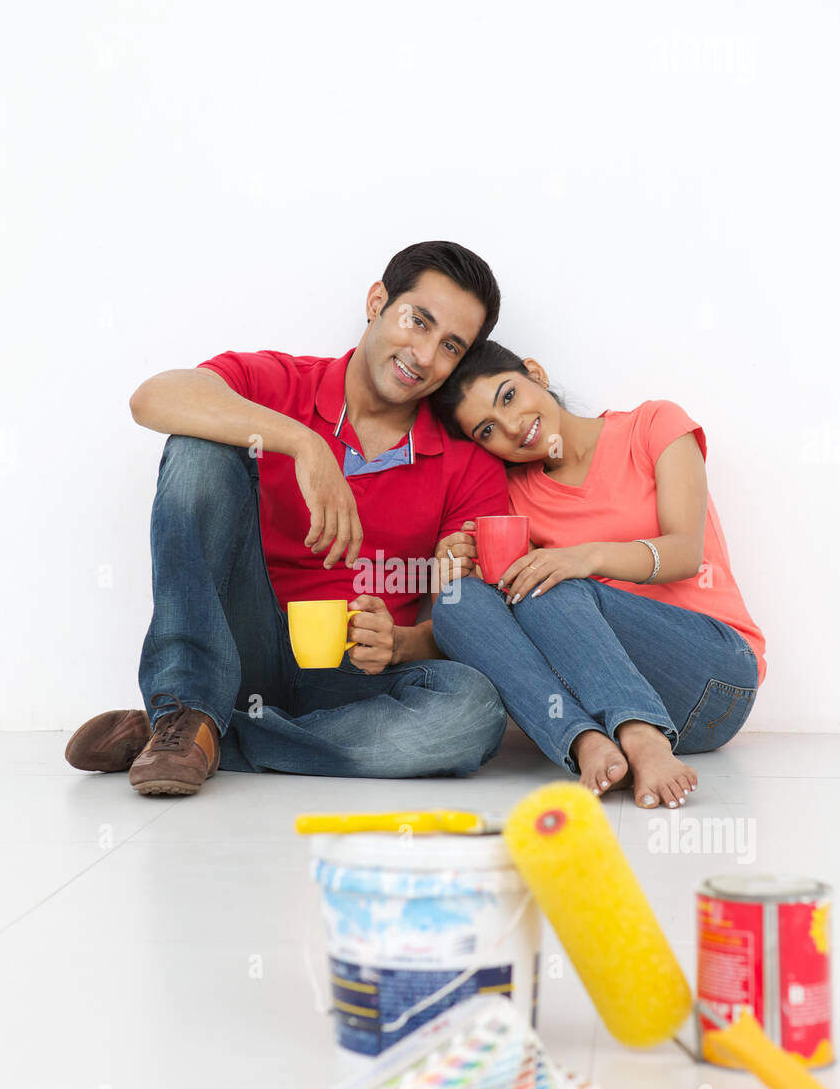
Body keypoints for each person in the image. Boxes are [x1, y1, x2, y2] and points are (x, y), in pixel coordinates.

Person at [65, 241, 511, 796]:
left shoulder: (468, 460)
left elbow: (475, 623)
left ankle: (193, 733)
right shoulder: (283, 384)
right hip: (244, 647)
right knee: (200, 448)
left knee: (472, 713)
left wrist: (402, 641)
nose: (423, 355)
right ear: (377, 302)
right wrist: (304, 444)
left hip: (358, 681)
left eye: (450, 346)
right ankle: (186, 703)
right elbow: (152, 398)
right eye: (417, 321)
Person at [430, 340, 766, 811]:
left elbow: (686, 553)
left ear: (535, 372)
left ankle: (642, 736)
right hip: (597, 699)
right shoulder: (511, 498)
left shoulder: (653, 425)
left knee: (550, 581)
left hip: (713, 679)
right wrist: (459, 560)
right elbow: (500, 623)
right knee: (456, 600)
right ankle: (585, 741)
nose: (511, 427)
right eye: (487, 430)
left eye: (508, 396)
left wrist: (580, 557)